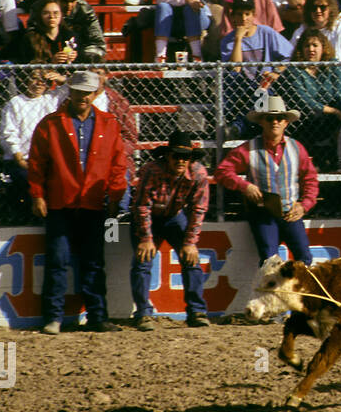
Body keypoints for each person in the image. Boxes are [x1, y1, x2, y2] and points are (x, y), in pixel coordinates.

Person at [27, 70, 127, 334]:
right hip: (61, 202)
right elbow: (37, 163)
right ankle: (54, 317)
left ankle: (97, 316)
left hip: (94, 203)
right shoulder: (50, 124)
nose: (83, 97)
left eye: (88, 92)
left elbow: (118, 164)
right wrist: (37, 194)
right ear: (70, 91)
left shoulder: (109, 123)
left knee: (94, 261)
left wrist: (116, 195)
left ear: (96, 94)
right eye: (79, 91)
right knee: (58, 261)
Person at [217, 95, 320, 265]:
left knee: (305, 258)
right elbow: (222, 171)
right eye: (270, 118)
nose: (275, 122)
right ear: (262, 122)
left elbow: (310, 179)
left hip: (291, 213)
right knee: (269, 260)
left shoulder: (297, 148)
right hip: (262, 213)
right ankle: (271, 292)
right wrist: (245, 186)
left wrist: (304, 205)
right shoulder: (248, 148)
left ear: (286, 122)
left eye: (280, 118)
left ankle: (300, 292)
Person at [129, 131, 211, 331]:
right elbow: (141, 206)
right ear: (168, 156)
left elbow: (199, 208)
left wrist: (190, 242)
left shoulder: (199, 174)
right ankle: (143, 313)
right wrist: (146, 238)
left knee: (191, 258)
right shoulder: (151, 170)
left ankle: (196, 311)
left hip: (175, 216)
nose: (181, 161)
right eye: (176, 156)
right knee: (143, 261)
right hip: (149, 218)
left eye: (185, 157)